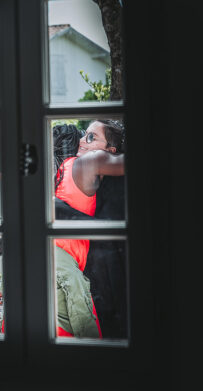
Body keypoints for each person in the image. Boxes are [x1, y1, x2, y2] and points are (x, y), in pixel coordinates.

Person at [55, 120, 128, 338]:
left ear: (109, 150)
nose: (80, 141)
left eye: (90, 137)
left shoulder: (66, 166)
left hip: (60, 261)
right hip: (66, 264)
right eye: (84, 134)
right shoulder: (91, 160)